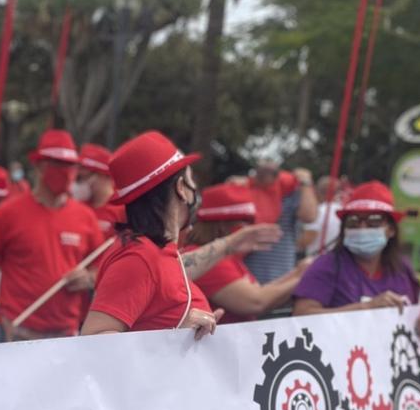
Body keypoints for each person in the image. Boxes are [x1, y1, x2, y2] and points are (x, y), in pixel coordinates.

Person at [81, 132, 280, 338]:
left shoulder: (154, 252)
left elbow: (168, 279)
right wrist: (173, 335)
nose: (196, 191)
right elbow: (95, 339)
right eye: (192, 181)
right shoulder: (140, 258)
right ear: (181, 189)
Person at [0, 130, 101, 341]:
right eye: (59, 165)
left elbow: (102, 267)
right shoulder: (9, 213)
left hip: (65, 334)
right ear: (41, 166)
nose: (67, 172)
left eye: (71, 166)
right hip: (15, 331)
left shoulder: (85, 218)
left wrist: (89, 278)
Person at [292, 182, 420, 316]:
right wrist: (366, 308)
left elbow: (416, 311)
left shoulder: (403, 269)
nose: (362, 228)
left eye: (374, 220)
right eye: (353, 221)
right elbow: (302, 315)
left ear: (391, 230)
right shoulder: (327, 266)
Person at [187, 183, 310, 323]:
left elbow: (261, 291)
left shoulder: (226, 256)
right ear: (222, 225)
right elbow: (256, 301)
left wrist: (298, 272)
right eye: (244, 223)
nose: (251, 229)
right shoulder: (208, 260)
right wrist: (305, 275)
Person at [243, 159, 319, 284]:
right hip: (245, 275)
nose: (266, 177)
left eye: (271, 172)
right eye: (262, 171)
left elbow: (309, 216)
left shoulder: (290, 193)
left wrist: (305, 182)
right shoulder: (246, 190)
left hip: (280, 274)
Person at [72, 143, 125, 238]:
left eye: (83, 178)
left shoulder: (122, 212)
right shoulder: (77, 209)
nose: (79, 184)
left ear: (103, 175)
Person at [299, 176, 348, 257]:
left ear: (317, 191)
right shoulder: (343, 211)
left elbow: (307, 239)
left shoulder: (317, 212)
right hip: (338, 260)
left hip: (316, 262)